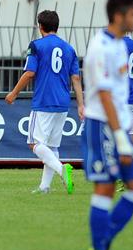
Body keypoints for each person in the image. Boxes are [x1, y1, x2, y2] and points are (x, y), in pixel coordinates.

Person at [82, 0, 133, 250]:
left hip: (118, 124)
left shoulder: (121, 45)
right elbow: (105, 94)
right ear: (119, 16)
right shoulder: (100, 47)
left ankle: (101, 244)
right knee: (105, 190)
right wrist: (120, 136)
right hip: (103, 126)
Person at [5, 10, 83, 194]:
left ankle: (61, 169)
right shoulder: (69, 48)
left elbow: (30, 72)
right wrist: (81, 105)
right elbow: (76, 79)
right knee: (52, 146)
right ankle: (44, 187)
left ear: (40, 26)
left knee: (34, 143)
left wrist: (14, 93)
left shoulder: (36, 45)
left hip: (44, 101)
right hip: (63, 103)